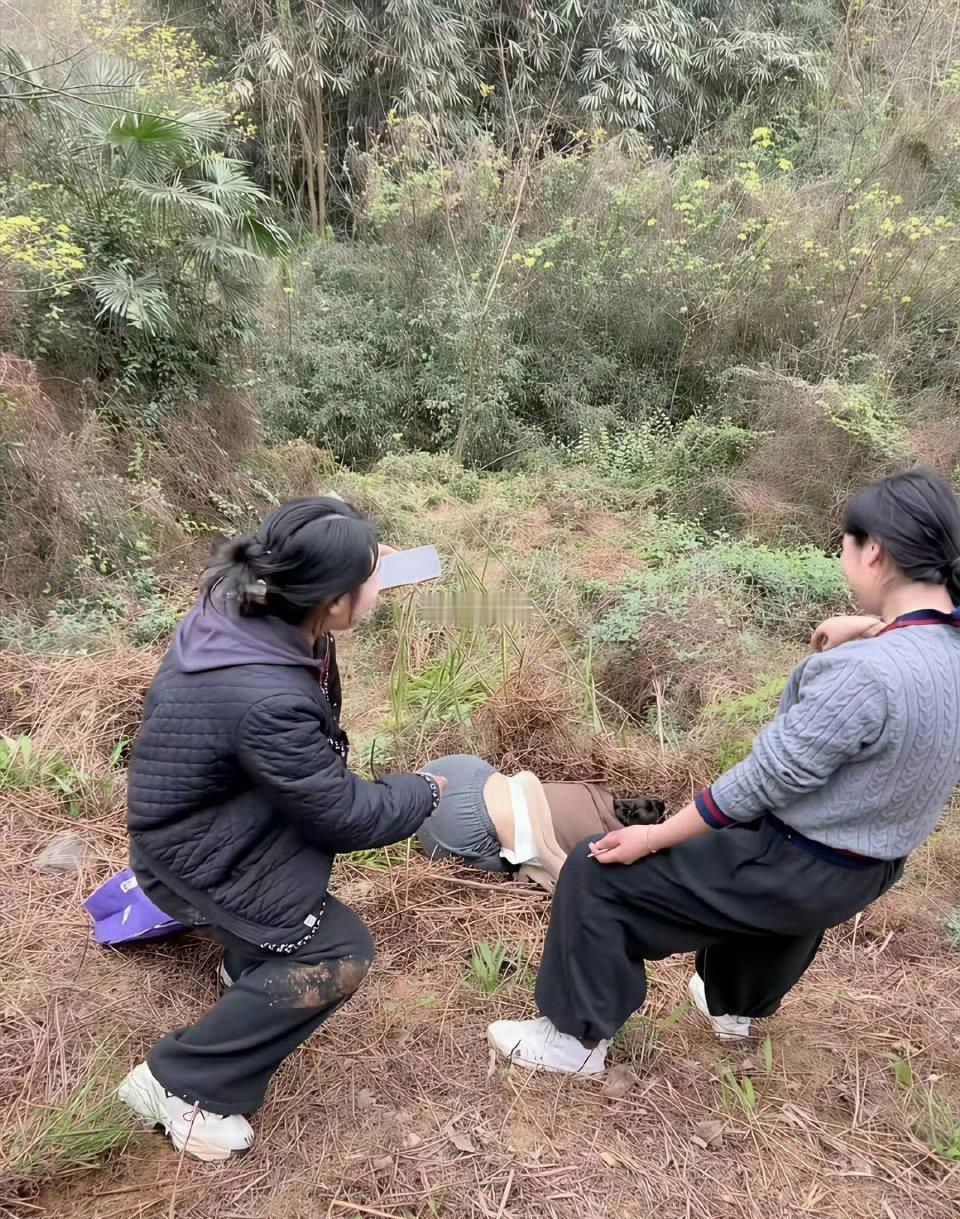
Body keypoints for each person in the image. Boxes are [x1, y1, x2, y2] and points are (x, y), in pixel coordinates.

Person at [488, 470, 960, 1074]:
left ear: (875, 552)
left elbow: (765, 779)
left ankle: (572, 1040)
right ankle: (732, 1005)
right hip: (864, 870)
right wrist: (871, 626)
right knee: (759, 886)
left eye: (844, 545)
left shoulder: (866, 674)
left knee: (596, 870)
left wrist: (653, 836)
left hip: (793, 863)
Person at [117, 497, 446, 1160]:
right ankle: (180, 1084)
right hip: (189, 856)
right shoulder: (266, 697)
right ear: (332, 600)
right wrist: (427, 789)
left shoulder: (250, 603)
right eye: (370, 577)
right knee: (340, 950)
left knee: (298, 877)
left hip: (205, 818)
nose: (380, 583)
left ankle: (251, 962)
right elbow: (346, 816)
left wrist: (358, 560)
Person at [417, 754, 665, 891]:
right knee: (532, 857)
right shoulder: (602, 838)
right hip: (460, 828)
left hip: (454, 772)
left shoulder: (591, 792)